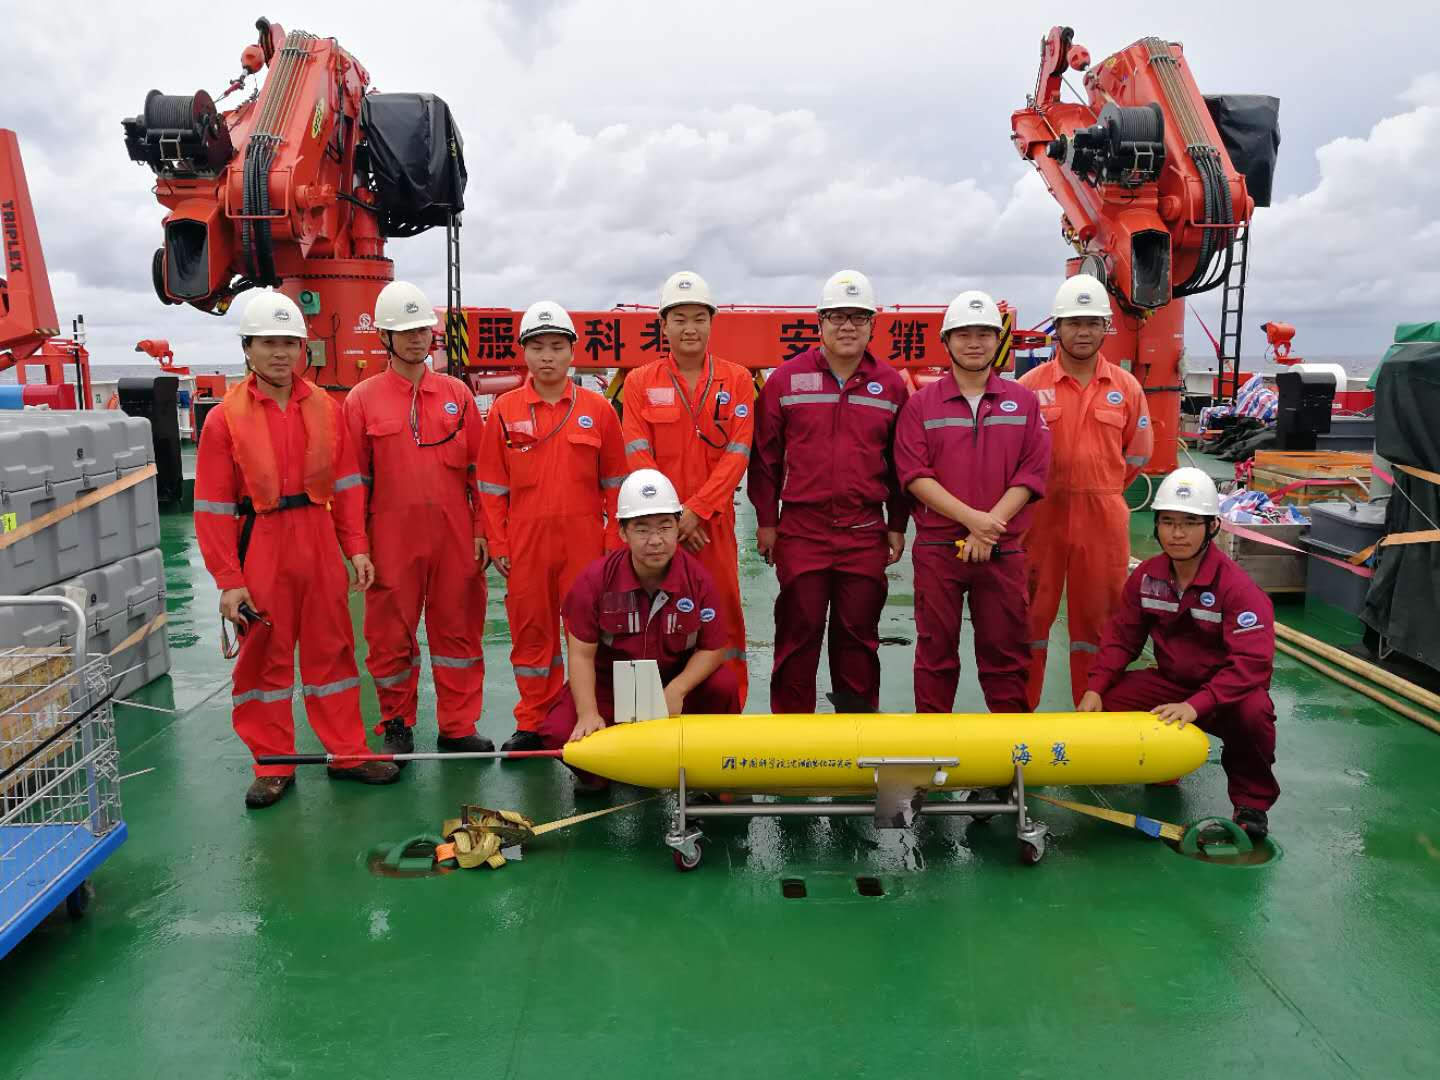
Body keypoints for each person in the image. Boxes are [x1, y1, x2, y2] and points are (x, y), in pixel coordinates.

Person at [194, 291, 397, 808]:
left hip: (318, 538)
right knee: (264, 658)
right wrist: (229, 580)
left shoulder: (327, 408)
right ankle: (273, 764)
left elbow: (347, 486)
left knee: (334, 649)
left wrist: (356, 547)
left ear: (303, 349)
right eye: (268, 343)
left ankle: (348, 753)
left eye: (289, 342)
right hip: (260, 542)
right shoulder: (223, 419)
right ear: (248, 348)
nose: (280, 353)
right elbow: (213, 507)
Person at [1079, 468, 1278, 839]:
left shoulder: (1237, 589)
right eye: (1168, 522)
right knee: (1110, 701)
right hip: (1172, 682)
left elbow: (1251, 664)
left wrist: (1197, 705)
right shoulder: (1147, 578)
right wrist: (1096, 686)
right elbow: (1122, 638)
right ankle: (1160, 765)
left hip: (1227, 693)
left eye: (1190, 523)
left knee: (1255, 715)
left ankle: (1251, 804)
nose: (1178, 533)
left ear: (1212, 527)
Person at [344, 281, 492, 766]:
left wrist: (482, 530)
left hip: (455, 536)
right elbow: (352, 482)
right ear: (384, 337)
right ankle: (397, 723)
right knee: (389, 636)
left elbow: (481, 472)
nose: (415, 338)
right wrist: (358, 546)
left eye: (422, 329)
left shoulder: (457, 395)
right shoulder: (362, 400)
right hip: (390, 538)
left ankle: (458, 727)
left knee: (459, 632)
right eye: (405, 330)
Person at [748, 269, 908, 713]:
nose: (847, 327)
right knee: (797, 635)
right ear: (820, 323)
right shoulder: (785, 381)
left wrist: (896, 524)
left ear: (873, 326)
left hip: (864, 531)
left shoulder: (891, 385)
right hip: (803, 530)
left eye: (858, 317)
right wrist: (767, 522)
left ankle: (856, 730)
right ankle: (792, 731)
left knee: (858, 639)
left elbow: (901, 464)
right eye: (837, 316)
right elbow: (765, 460)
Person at [477, 301, 628, 751]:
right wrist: (499, 542)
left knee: (590, 632)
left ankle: (593, 717)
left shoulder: (598, 409)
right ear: (524, 352)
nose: (547, 356)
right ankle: (534, 723)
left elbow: (615, 483)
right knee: (531, 635)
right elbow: (491, 485)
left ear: (572, 352)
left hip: (585, 543)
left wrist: (611, 542)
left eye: (557, 347)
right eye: (538, 347)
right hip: (526, 543)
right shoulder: (504, 410)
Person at [894, 291, 1050, 714]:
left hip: (1002, 548)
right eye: (964, 334)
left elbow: (1032, 472)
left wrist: (988, 527)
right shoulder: (920, 406)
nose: (975, 343)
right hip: (939, 549)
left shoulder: (1023, 402)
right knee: (935, 655)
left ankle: (1008, 750)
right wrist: (974, 521)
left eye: (984, 334)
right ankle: (934, 743)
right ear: (946, 341)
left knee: (1006, 657)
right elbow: (915, 475)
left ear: (999, 340)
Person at [538, 469, 741, 793]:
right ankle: (599, 775)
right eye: (642, 529)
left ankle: (708, 777)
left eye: (665, 527)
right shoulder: (594, 582)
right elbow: (581, 654)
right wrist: (588, 713)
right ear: (622, 532)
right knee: (559, 732)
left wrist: (677, 690)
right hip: (612, 685)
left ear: (678, 527)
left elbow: (712, 647)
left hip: (673, 681)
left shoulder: (698, 581)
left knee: (723, 686)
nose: (655, 540)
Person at [1019, 274, 1153, 707]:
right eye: (1074, 323)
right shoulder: (1029, 387)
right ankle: (1019, 712)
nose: (1083, 332)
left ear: (1104, 328)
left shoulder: (1126, 388)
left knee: (1101, 620)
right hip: (1040, 515)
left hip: (1102, 518)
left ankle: (1093, 712)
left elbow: (1137, 454)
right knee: (1029, 614)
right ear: (1057, 327)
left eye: (1093, 323)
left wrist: (1101, 490)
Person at [621, 270, 754, 705]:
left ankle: (727, 711)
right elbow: (637, 453)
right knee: (645, 616)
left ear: (712, 322)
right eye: (679, 319)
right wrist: (675, 519)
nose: (690, 328)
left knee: (722, 614)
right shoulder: (640, 382)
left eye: (699, 318)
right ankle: (644, 709)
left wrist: (696, 512)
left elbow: (738, 453)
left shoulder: (737, 380)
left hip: (712, 528)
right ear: (663, 325)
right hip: (656, 529)